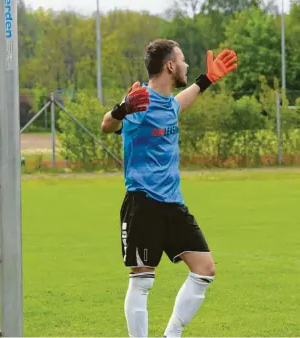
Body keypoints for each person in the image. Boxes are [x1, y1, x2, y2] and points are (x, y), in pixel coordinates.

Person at [100, 39, 237, 337]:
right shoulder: (140, 103)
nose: (186, 65)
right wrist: (121, 109)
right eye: (183, 60)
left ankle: (171, 335)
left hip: (173, 204)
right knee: (142, 280)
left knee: (204, 268)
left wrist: (207, 79)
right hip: (143, 203)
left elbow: (180, 103)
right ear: (170, 66)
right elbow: (107, 125)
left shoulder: (168, 105)